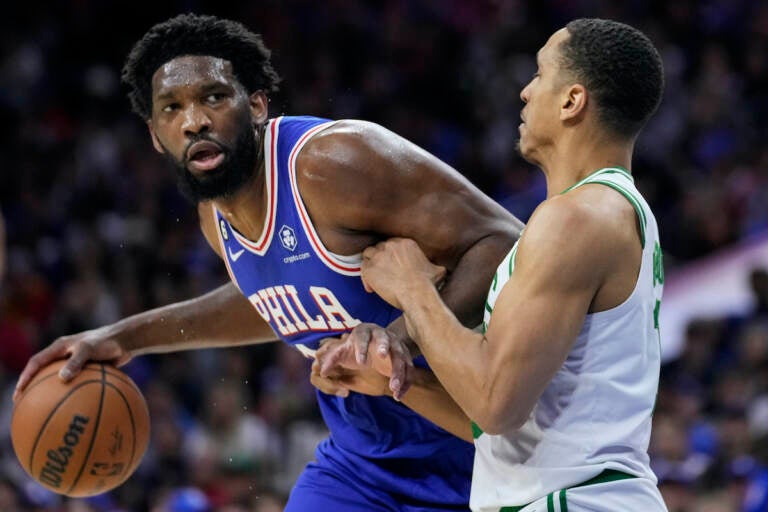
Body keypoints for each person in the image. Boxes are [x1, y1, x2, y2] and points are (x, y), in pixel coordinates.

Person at [13, 13, 523, 512]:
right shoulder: (215, 217)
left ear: (255, 104)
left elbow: (504, 242)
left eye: (213, 97)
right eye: (171, 108)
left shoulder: (334, 164)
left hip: (483, 450)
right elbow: (273, 298)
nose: (194, 121)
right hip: (361, 465)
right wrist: (125, 337)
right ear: (154, 133)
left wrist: (404, 336)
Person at [348, 18, 668, 512]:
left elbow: (495, 403)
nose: (524, 91)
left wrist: (413, 288)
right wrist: (394, 379)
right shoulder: (608, 212)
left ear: (571, 101)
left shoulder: (577, 219)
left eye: (539, 74)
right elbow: (507, 429)